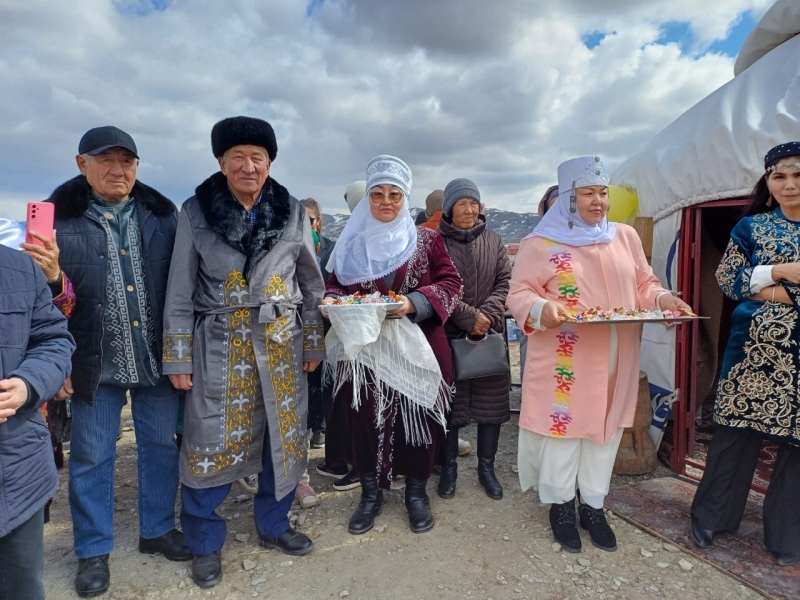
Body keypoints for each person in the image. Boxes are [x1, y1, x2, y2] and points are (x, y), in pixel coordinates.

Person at [163, 116, 326, 588]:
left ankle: (275, 526)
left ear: (270, 164)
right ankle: (205, 541)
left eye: (258, 157)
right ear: (221, 162)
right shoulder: (196, 211)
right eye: (238, 157)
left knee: (282, 435)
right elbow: (178, 289)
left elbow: (311, 282)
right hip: (220, 343)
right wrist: (178, 358)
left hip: (281, 343)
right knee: (209, 438)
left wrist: (312, 339)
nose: (248, 166)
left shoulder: (291, 210)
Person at [507, 155, 691, 553]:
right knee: (565, 431)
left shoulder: (623, 237)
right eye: (587, 193)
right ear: (567, 199)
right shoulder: (540, 244)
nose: (598, 201)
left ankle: (593, 504)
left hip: (616, 355)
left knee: (605, 431)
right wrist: (542, 309)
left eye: (603, 193)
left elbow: (644, 283)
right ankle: (560, 504)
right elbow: (519, 293)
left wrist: (663, 300)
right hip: (565, 357)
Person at [48, 126, 188, 597]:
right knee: (91, 455)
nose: (117, 170)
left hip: (155, 358)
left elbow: (182, 288)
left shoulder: (162, 216)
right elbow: (44, 301)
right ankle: (92, 549)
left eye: (126, 161)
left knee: (160, 445)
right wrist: (55, 362)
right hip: (92, 362)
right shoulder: (58, 222)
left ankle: (157, 530)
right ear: (80, 163)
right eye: (105, 160)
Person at [323, 155, 463, 535]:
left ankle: (416, 492)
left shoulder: (427, 240)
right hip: (364, 350)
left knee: (416, 417)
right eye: (378, 194)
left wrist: (413, 303)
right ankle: (370, 494)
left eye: (395, 195)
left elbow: (452, 283)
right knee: (364, 419)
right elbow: (334, 284)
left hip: (418, 344)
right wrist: (334, 300)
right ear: (368, 198)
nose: (386, 201)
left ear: (406, 198)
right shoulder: (352, 242)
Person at [690, 142, 800, 566]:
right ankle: (712, 519)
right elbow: (729, 280)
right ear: (769, 184)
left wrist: (769, 291)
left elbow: (746, 283)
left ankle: (788, 537)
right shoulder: (750, 229)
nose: (789, 183)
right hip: (754, 354)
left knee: (797, 450)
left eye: (797, 174)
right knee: (734, 439)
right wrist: (779, 272)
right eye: (779, 175)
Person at [0, 244, 75, 600]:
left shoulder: (18, 267)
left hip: (17, 473)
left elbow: (53, 337)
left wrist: (29, 383)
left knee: (23, 584)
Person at [437, 179, 512, 500]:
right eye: (461, 204)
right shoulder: (435, 242)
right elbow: (438, 287)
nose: (468, 209)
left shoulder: (494, 241)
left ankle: (487, 470)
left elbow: (505, 282)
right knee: (450, 408)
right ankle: (449, 471)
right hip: (450, 334)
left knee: (491, 407)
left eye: (473, 203)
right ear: (449, 209)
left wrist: (487, 317)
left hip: (490, 335)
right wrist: (469, 318)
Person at [519, 184, 560, 385]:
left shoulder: (593, 243)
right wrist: (538, 306)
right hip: (541, 326)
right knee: (540, 382)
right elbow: (519, 288)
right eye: (553, 207)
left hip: (581, 333)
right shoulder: (535, 244)